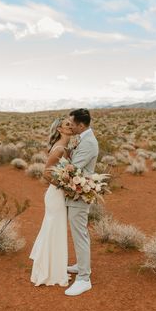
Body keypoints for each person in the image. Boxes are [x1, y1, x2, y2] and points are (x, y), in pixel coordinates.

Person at [29, 117, 73, 286]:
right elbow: (46, 173)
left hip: (59, 194)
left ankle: (56, 270)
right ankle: (49, 272)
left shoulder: (66, 147)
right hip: (55, 195)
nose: (71, 126)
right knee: (54, 229)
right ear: (60, 129)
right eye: (67, 124)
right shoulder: (59, 149)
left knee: (57, 230)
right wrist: (65, 186)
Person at [65, 108, 99, 296]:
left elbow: (73, 168)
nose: (70, 126)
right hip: (75, 192)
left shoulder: (88, 142)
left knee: (80, 234)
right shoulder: (82, 138)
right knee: (78, 232)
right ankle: (81, 266)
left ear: (81, 125)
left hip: (80, 192)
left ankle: (84, 278)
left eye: (72, 123)